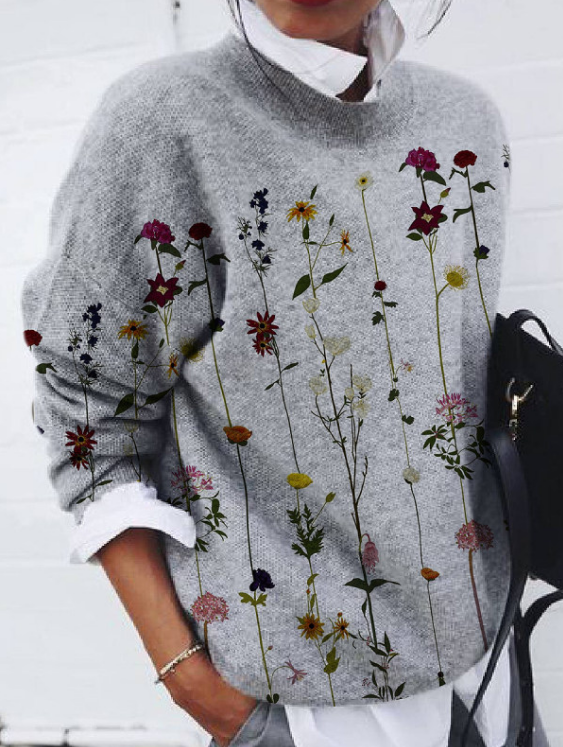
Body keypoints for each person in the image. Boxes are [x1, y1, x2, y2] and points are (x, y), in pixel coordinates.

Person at [20, 0, 550, 746]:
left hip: (492, 668)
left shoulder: (465, 119)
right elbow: (85, 418)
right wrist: (197, 686)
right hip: (300, 708)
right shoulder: (162, 123)